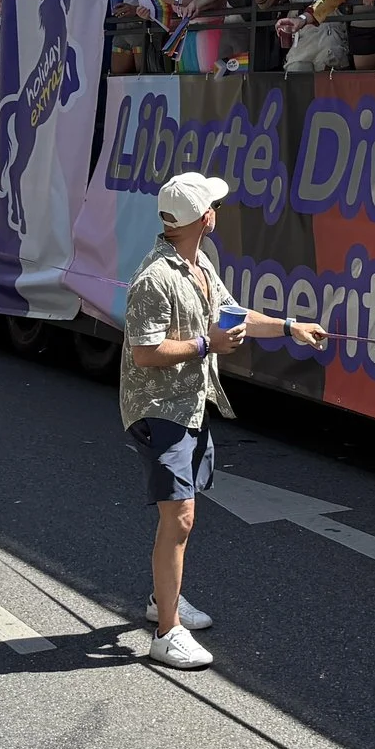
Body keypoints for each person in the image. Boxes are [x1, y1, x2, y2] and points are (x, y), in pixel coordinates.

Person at [123, 173, 326, 668]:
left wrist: (290, 327)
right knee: (180, 516)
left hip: (192, 403)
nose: (217, 210)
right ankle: (166, 632)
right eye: (212, 205)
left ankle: (161, 600)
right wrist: (205, 344)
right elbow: (145, 352)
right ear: (201, 217)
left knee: (180, 518)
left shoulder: (200, 265)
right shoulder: (155, 278)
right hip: (160, 409)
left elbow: (232, 314)